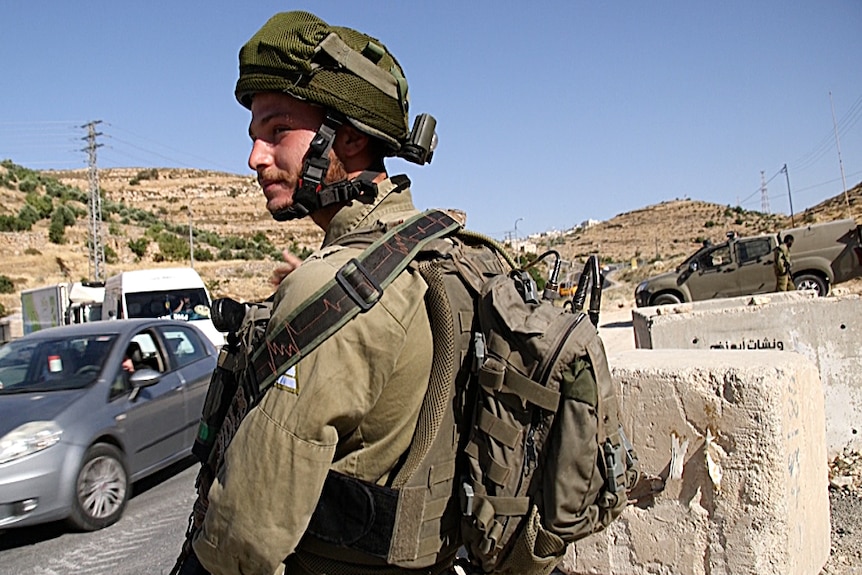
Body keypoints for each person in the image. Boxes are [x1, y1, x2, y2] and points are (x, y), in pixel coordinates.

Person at [191, 11, 446, 575]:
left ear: (350, 135)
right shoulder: (424, 248)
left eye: (277, 130)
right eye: (255, 136)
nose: (256, 157)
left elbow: (245, 540)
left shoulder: (339, 285)